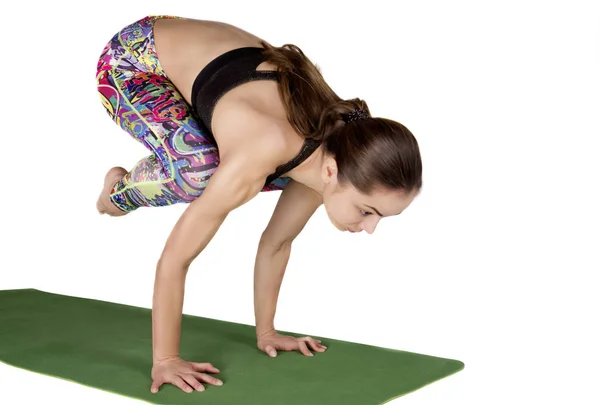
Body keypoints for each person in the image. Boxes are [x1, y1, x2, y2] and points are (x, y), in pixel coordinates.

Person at [95, 15, 422, 394]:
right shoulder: (262, 152)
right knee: (199, 169)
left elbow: (277, 243)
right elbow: (175, 258)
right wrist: (166, 359)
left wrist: (266, 332)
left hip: (207, 65)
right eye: (368, 211)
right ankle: (116, 193)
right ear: (332, 171)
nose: (369, 228)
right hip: (135, 59)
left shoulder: (335, 154)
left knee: (264, 171)